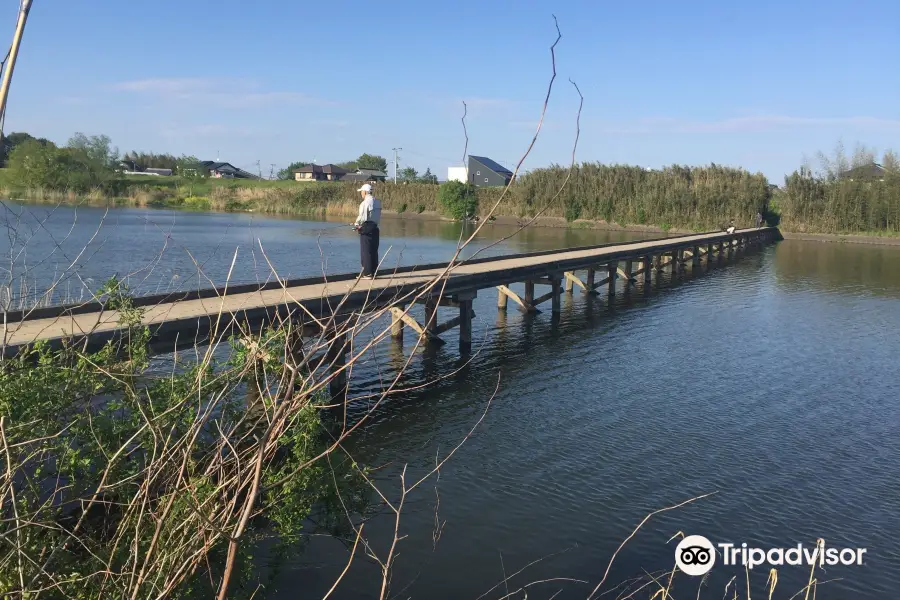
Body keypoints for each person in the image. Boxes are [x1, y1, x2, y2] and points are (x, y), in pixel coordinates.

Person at [353, 183, 381, 278]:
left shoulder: (365, 203)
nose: (361, 193)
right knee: (373, 250)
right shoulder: (377, 202)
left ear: (365, 192)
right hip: (375, 228)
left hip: (366, 227)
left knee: (366, 251)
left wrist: (357, 224)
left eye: (361, 191)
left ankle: (367, 273)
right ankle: (373, 272)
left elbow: (362, 217)